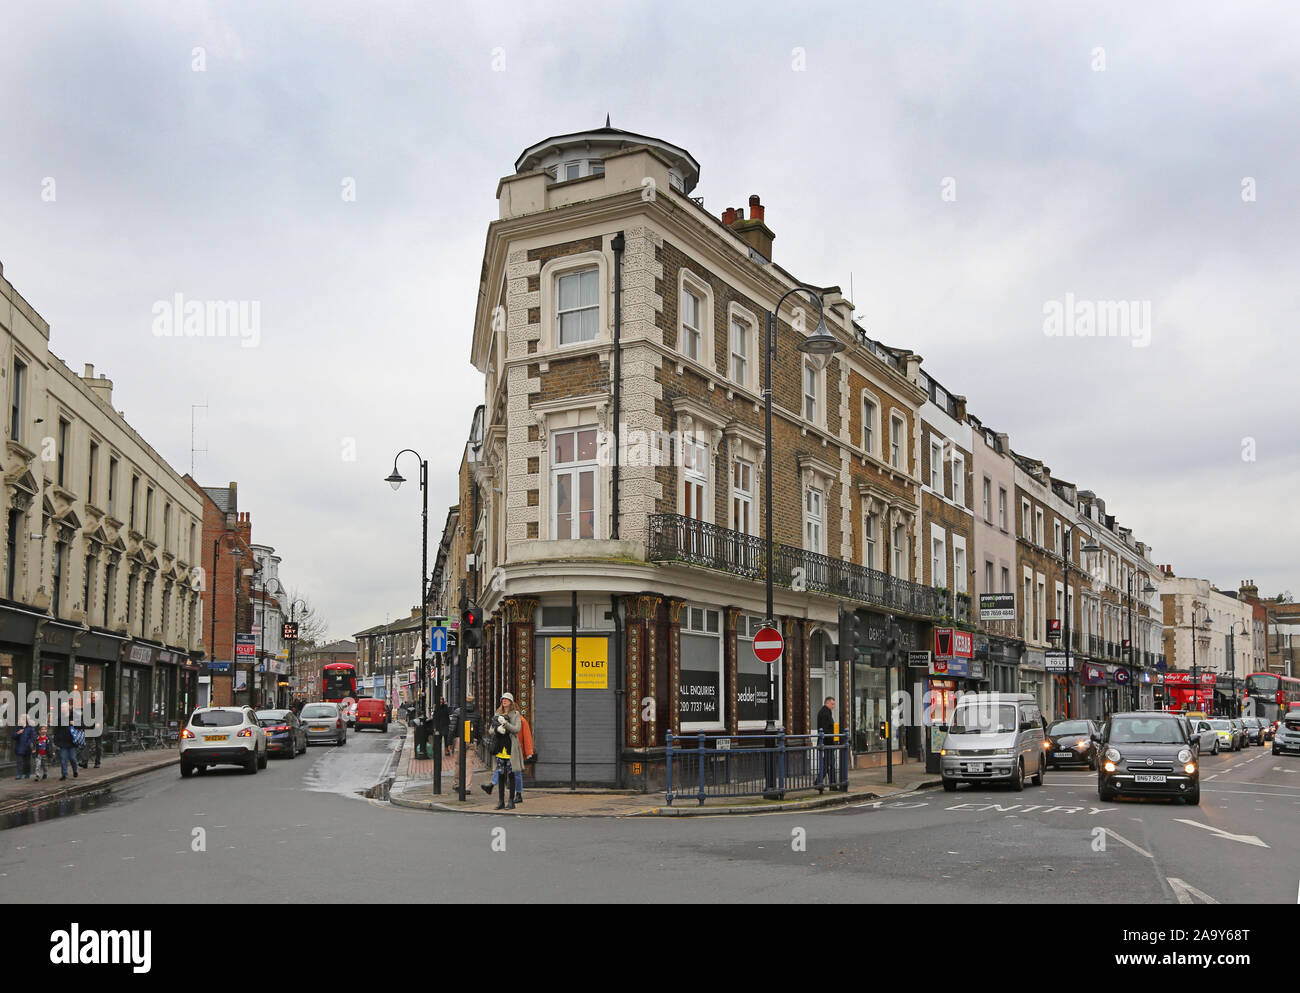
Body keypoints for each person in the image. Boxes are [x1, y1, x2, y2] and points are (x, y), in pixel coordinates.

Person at [480, 692, 521, 810]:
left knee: (511, 775)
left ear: (511, 702)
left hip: (510, 749)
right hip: (500, 749)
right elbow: (491, 730)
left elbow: (516, 729)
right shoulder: (497, 714)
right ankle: (501, 801)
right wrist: (497, 728)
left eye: (507, 700)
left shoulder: (515, 714)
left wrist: (505, 724)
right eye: (503, 699)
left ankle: (511, 801)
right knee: (501, 776)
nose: (504, 701)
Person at [813, 696, 836, 786]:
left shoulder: (825, 712)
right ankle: (820, 782)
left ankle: (832, 784)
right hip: (827, 742)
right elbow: (826, 729)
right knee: (828, 764)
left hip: (827, 742)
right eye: (832, 704)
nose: (833, 706)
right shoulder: (825, 713)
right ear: (827, 703)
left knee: (829, 764)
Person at [52, 710, 78, 781]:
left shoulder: (74, 716)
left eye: (64, 707)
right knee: (63, 759)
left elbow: (81, 725)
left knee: (73, 758)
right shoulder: (59, 718)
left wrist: (75, 723)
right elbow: (56, 730)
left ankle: (75, 770)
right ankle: (64, 775)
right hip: (63, 743)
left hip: (72, 742)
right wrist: (56, 741)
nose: (63, 708)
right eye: (62, 707)